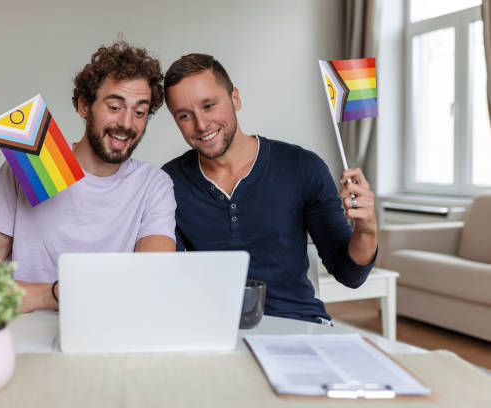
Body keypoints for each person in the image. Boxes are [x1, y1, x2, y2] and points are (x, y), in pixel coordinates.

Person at [0, 42, 177, 313]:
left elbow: (150, 280)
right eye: (115, 106)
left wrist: (51, 295)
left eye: (140, 112)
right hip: (24, 330)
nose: (127, 123)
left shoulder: (153, 185)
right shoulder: (33, 163)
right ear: (85, 105)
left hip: (106, 327)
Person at [161, 53, 377, 324]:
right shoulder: (167, 183)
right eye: (184, 115)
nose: (201, 124)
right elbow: (166, 277)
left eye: (209, 106)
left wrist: (367, 229)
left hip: (298, 324)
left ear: (235, 98)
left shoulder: (303, 167)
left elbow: (351, 275)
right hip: (215, 328)